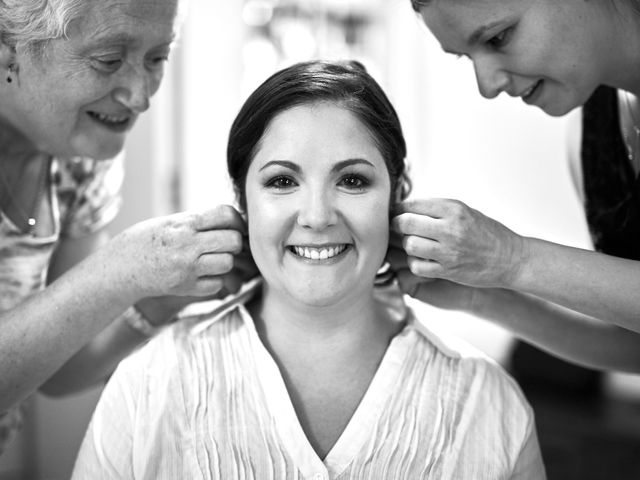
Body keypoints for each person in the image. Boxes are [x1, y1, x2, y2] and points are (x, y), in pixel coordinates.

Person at [72, 60, 546, 479]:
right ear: (242, 201)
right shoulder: (151, 381)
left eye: (353, 180)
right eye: (282, 181)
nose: (317, 216)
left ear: (397, 195)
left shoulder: (486, 403)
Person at [0, 0, 252, 455]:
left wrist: (157, 302)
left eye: (158, 59)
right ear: (7, 48)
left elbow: (56, 371)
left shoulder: (79, 162)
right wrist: (120, 269)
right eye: (108, 61)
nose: (141, 97)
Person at [388, 0, 640, 373]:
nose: (486, 85)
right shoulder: (593, 134)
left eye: (498, 37)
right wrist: (483, 296)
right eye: (464, 57)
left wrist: (511, 259)